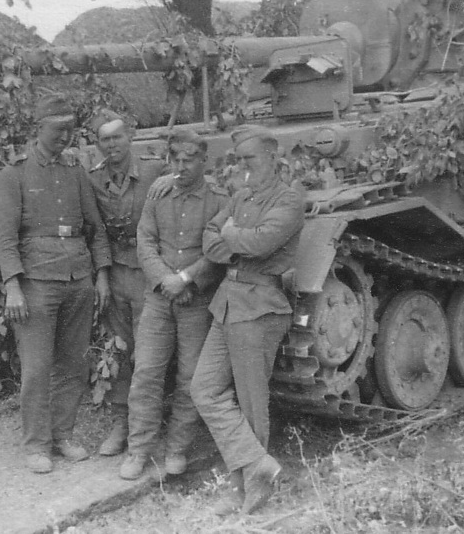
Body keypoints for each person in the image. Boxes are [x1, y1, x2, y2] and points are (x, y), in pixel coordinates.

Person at [0, 93, 111, 474]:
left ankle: (63, 436)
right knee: (37, 368)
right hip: (36, 282)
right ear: (38, 128)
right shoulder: (14, 174)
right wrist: (13, 285)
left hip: (78, 279)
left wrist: (102, 275)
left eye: (70, 130)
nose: (65, 137)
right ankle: (36, 444)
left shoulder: (75, 172)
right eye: (58, 130)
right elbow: (4, 237)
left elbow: (95, 228)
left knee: (73, 364)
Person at [190, 125, 305, 514]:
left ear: (272, 158)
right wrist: (236, 240)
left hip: (259, 306)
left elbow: (261, 243)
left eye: (250, 159)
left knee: (252, 403)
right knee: (204, 389)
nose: (243, 167)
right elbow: (210, 236)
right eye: (238, 160)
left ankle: (248, 488)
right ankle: (257, 465)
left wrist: (232, 236)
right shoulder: (240, 196)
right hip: (228, 302)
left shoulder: (289, 200)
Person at [119, 129, 228, 480]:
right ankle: (139, 449)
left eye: (189, 160)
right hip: (158, 299)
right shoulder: (159, 194)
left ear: (204, 160)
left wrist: (185, 279)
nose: (181, 166)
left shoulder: (219, 200)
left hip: (196, 300)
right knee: (146, 373)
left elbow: (220, 251)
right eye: (175, 159)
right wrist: (166, 280)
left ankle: (177, 448)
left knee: (189, 377)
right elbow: (145, 241)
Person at [89, 110, 167, 456]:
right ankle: (122, 422)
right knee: (119, 350)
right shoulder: (94, 179)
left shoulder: (155, 171)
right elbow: (96, 231)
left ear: (130, 137)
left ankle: (147, 426)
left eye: (117, 137)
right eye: (104, 140)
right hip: (117, 273)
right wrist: (102, 275)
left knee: (148, 355)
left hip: (149, 272)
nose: (112, 145)